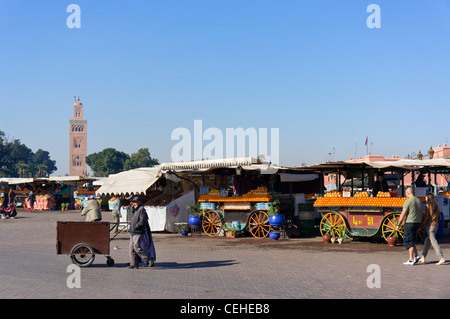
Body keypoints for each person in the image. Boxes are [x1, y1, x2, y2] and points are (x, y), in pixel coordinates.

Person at [395, 187, 422, 265]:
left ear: (407, 193)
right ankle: (416, 256)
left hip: (410, 222)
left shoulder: (407, 201)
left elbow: (403, 213)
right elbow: (422, 213)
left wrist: (398, 224)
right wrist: (420, 222)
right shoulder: (419, 201)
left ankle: (411, 259)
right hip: (417, 222)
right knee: (412, 239)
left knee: (408, 240)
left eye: (406, 194)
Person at [128, 196, 156, 269]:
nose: (134, 204)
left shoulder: (142, 210)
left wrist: (135, 226)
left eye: (136, 202)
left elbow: (142, 221)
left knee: (137, 247)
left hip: (138, 231)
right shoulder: (135, 210)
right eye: (133, 202)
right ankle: (133, 264)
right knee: (131, 249)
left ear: (139, 202)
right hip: (133, 231)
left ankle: (148, 259)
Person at [418, 194, 445, 265]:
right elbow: (439, 217)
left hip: (430, 226)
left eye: (426, 198)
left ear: (429, 199)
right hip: (436, 226)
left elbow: (426, 217)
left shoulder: (427, 206)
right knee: (427, 242)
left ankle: (441, 257)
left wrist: (422, 225)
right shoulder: (436, 206)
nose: (425, 199)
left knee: (434, 242)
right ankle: (423, 257)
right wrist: (435, 220)